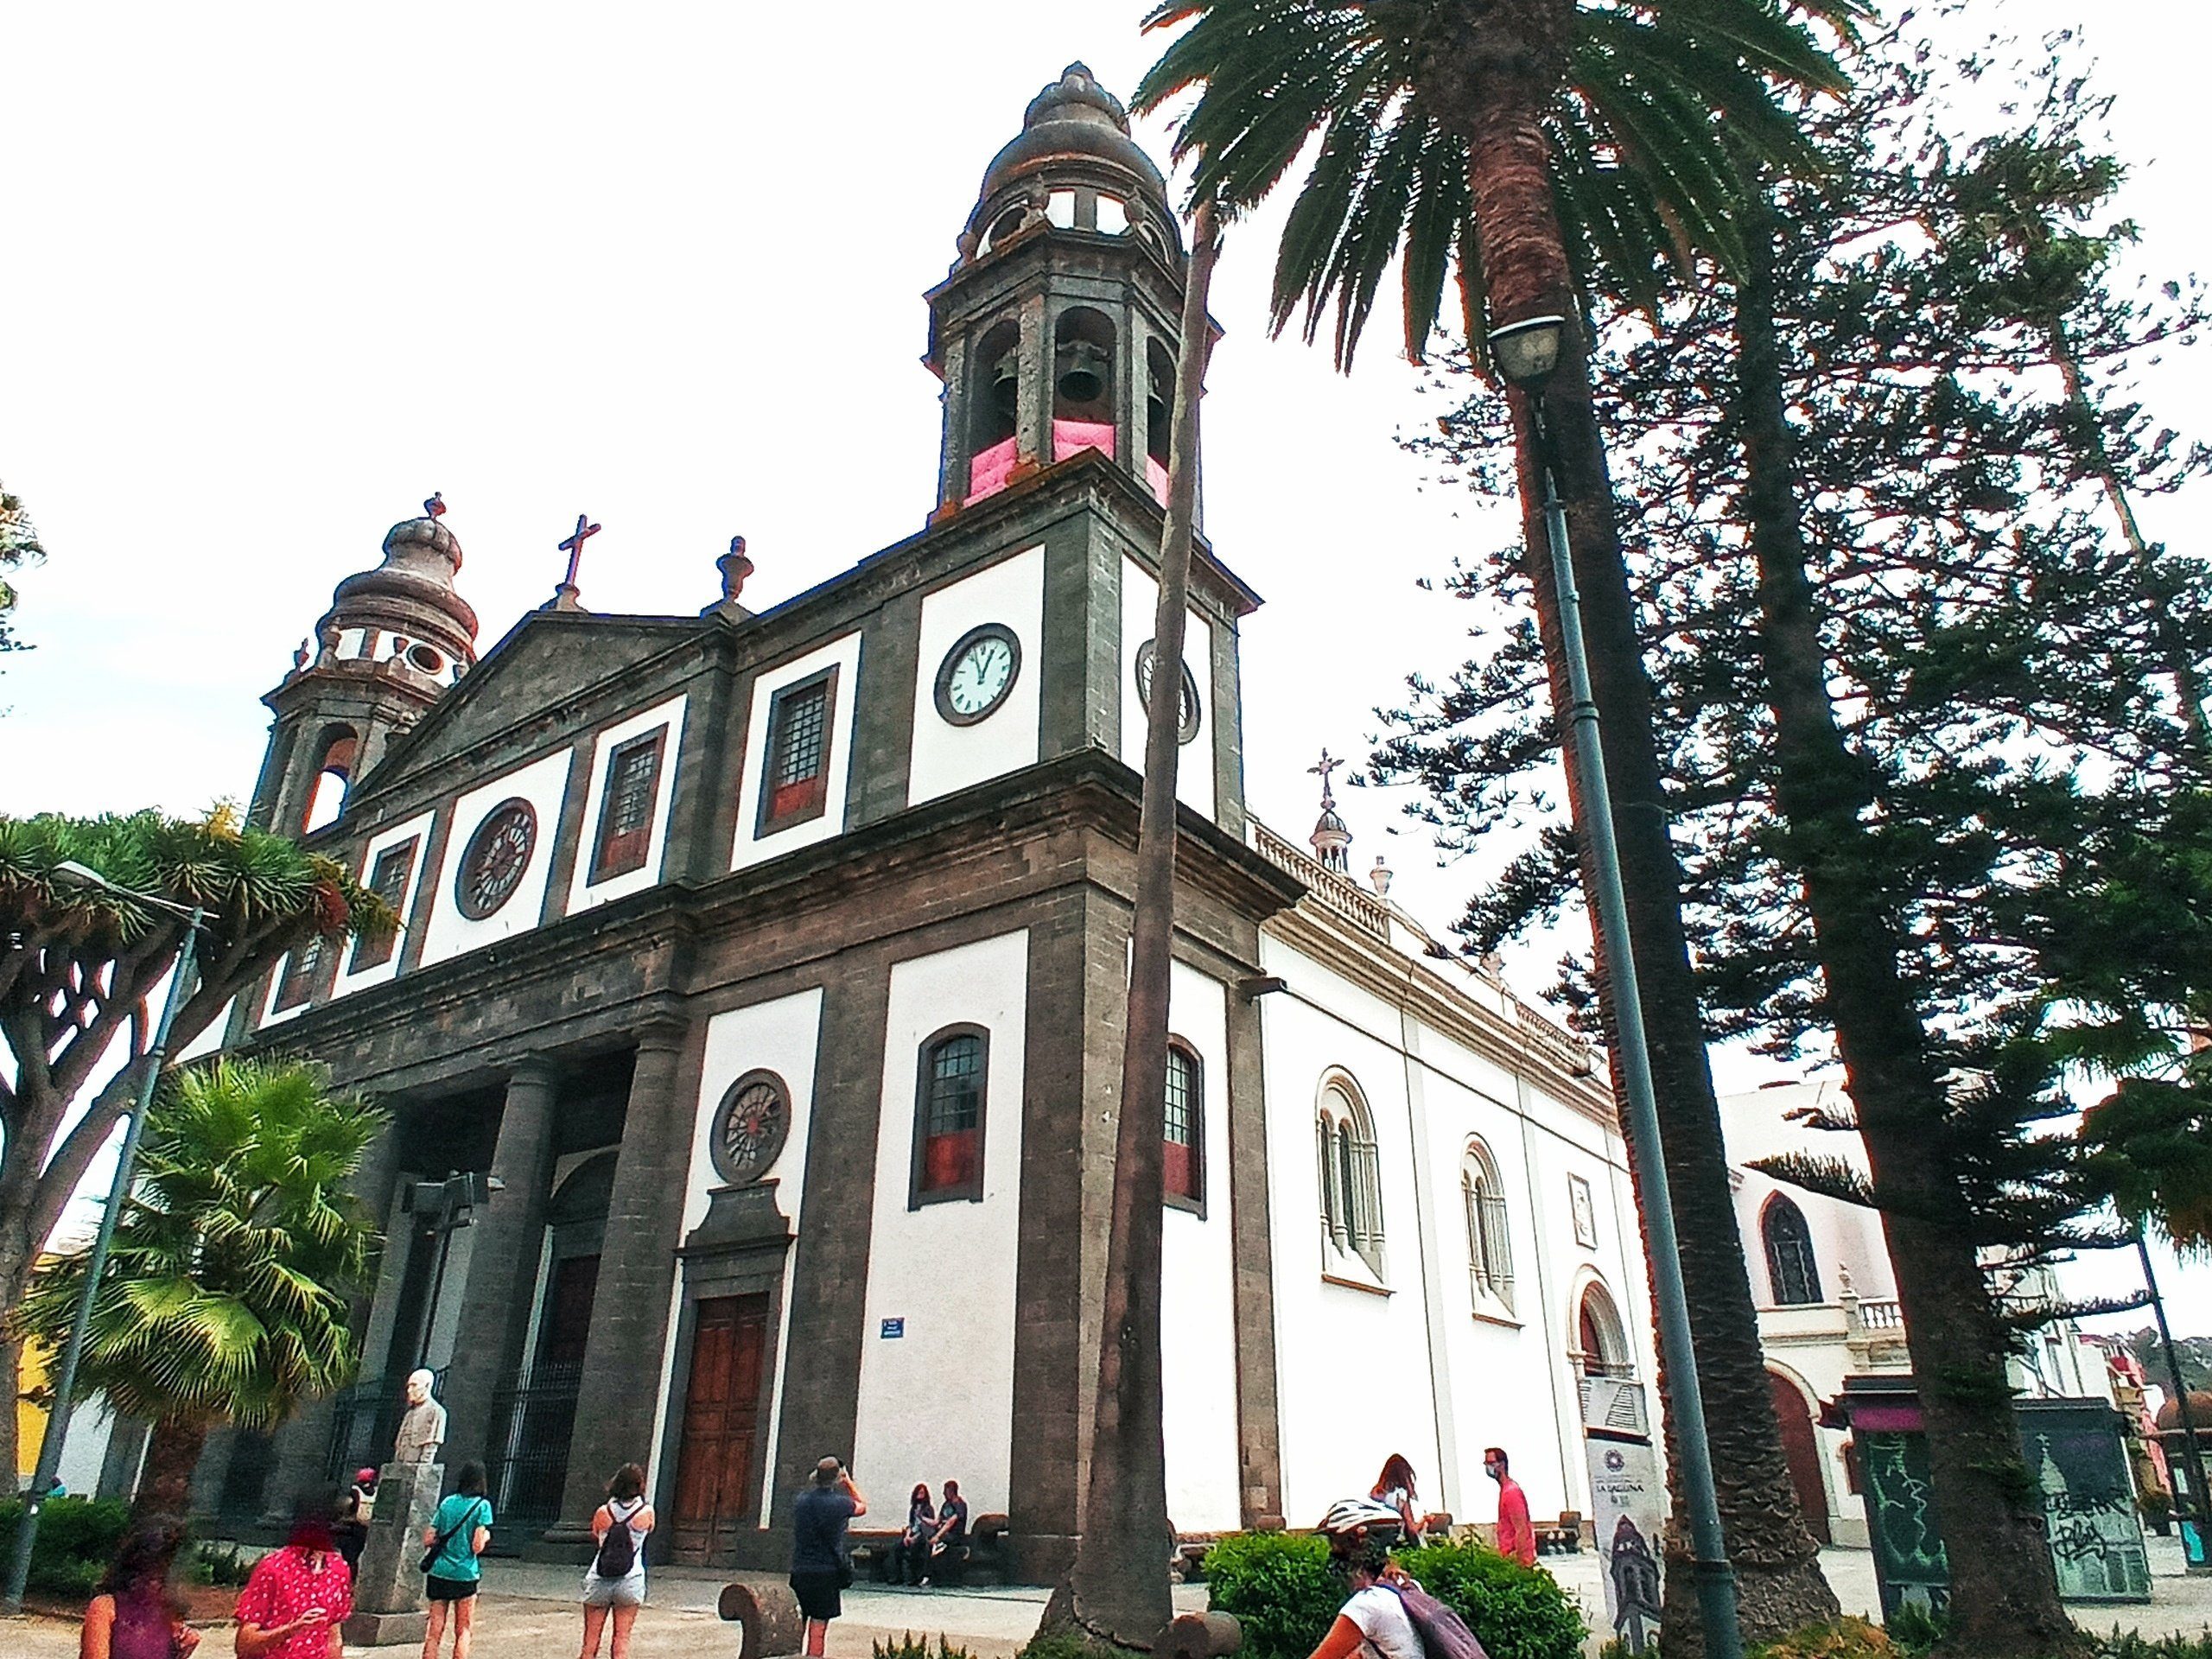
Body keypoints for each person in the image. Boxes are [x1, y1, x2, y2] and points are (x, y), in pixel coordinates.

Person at [235, 1488, 353, 1659]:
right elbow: (245, 1645)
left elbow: (333, 1637)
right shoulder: (273, 1568)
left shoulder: (339, 1570)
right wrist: (292, 1628)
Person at [1302, 1498, 1421, 1659]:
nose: (1333, 1553)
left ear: (1354, 1545)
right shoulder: (1405, 1586)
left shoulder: (1366, 1605)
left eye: (1336, 1545)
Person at [79, 1514, 198, 1659]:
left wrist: (182, 1651)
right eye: (152, 1577)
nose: (158, 1585)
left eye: (163, 1578)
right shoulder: (106, 1608)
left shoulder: (168, 1615)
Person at [790, 1455, 868, 1656]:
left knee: (799, 1623)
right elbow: (862, 1506)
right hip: (826, 1571)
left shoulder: (801, 1502)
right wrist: (849, 1483)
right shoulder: (841, 1504)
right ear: (837, 1478)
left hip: (800, 1569)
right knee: (818, 1628)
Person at [579, 1462, 655, 1659]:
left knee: (590, 1643)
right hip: (631, 1579)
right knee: (621, 1640)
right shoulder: (646, 1513)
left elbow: (596, 1536)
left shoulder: (602, 1512)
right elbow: (650, 1531)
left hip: (600, 1578)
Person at [421, 1461, 493, 1659]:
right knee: (463, 1629)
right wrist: (486, 1536)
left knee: (434, 1628)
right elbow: (476, 1547)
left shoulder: (447, 1502)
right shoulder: (482, 1506)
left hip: (439, 1570)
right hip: (465, 1572)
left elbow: (428, 1538)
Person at [1484, 1446, 1535, 1567]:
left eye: (1491, 1463)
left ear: (1502, 1464)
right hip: (1508, 1556)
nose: (1488, 1467)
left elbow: (1522, 1528)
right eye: (1486, 1463)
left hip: (1516, 1558)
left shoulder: (1511, 1492)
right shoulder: (1504, 1490)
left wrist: (1521, 1560)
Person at [1369, 1454, 1423, 1547]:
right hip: (1394, 1541)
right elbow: (1412, 1529)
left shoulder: (1376, 1491)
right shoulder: (1400, 1495)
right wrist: (1425, 1521)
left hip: (1375, 1540)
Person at [924, 1477, 969, 1586]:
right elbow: (937, 1522)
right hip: (942, 1533)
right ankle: (927, 1574)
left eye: (945, 1491)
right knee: (927, 1542)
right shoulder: (945, 1505)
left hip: (953, 1535)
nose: (943, 1494)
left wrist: (938, 1536)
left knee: (936, 1548)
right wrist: (922, 1518)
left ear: (951, 1491)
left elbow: (950, 1522)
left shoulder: (960, 1505)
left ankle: (930, 1575)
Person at [335, 1467, 378, 1576]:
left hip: (355, 1527)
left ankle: (348, 1575)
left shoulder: (355, 1491)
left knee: (350, 1555)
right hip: (368, 1527)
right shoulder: (376, 1491)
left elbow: (347, 1507)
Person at [893, 1484, 936, 1586]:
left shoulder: (928, 1509)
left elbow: (927, 1527)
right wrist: (907, 1536)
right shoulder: (913, 1509)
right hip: (913, 1533)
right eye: (918, 1493)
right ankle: (899, 1575)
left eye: (922, 1493)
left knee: (915, 1548)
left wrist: (914, 1537)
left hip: (922, 1535)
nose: (919, 1495)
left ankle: (915, 1576)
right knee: (897, 1548)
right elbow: (911, 1524)